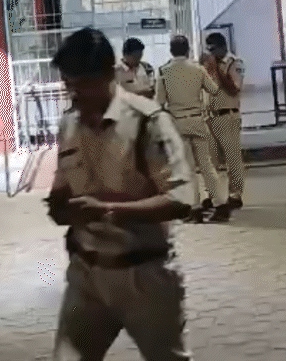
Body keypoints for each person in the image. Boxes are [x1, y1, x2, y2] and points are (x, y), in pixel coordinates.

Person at [45, 27, 194, 361]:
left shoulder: (147, 121)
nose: (74, 94)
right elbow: (62, 188)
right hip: (87, 276)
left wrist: (108, 210)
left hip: (145, 276)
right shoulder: (69, 125)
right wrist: (60, 206)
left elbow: (182, 199)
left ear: (108, 75)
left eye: (82, 84)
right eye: (68, 84)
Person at [156, 34, 230, 223]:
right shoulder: (198, 69)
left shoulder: (164, 72)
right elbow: (214, 90)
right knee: (207, 165)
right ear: (188, 50)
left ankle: (195, 209)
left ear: (171, 51)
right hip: (198, 120)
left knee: (188, 169)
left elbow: (160, 102)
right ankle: (220, 204)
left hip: (178, 123)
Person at [202, 32, 245, 210]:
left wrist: (217, 70)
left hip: (227, 115)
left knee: (232, 158)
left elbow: (234, 88)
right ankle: (212, 195)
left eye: (214, 50)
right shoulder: (208, 65)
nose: (211, 53)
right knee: (210, 160)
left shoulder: (234, 63)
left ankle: (235, 195)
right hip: (209, 116)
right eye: (209, 50)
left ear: (223, 47)